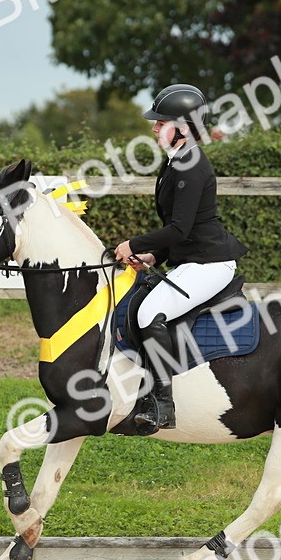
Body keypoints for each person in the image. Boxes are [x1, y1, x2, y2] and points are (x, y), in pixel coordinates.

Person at [113, 83, 248, 431]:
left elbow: (179, 229)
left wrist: (133, 243)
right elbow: (177, 232)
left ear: (184, 127)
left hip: (210, 263)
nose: (155, 127)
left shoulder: (189, 164)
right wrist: (153, 255)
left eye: (162, 122)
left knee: (148, 314)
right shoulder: (176, 161)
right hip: (192, 258)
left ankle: (161, 404)